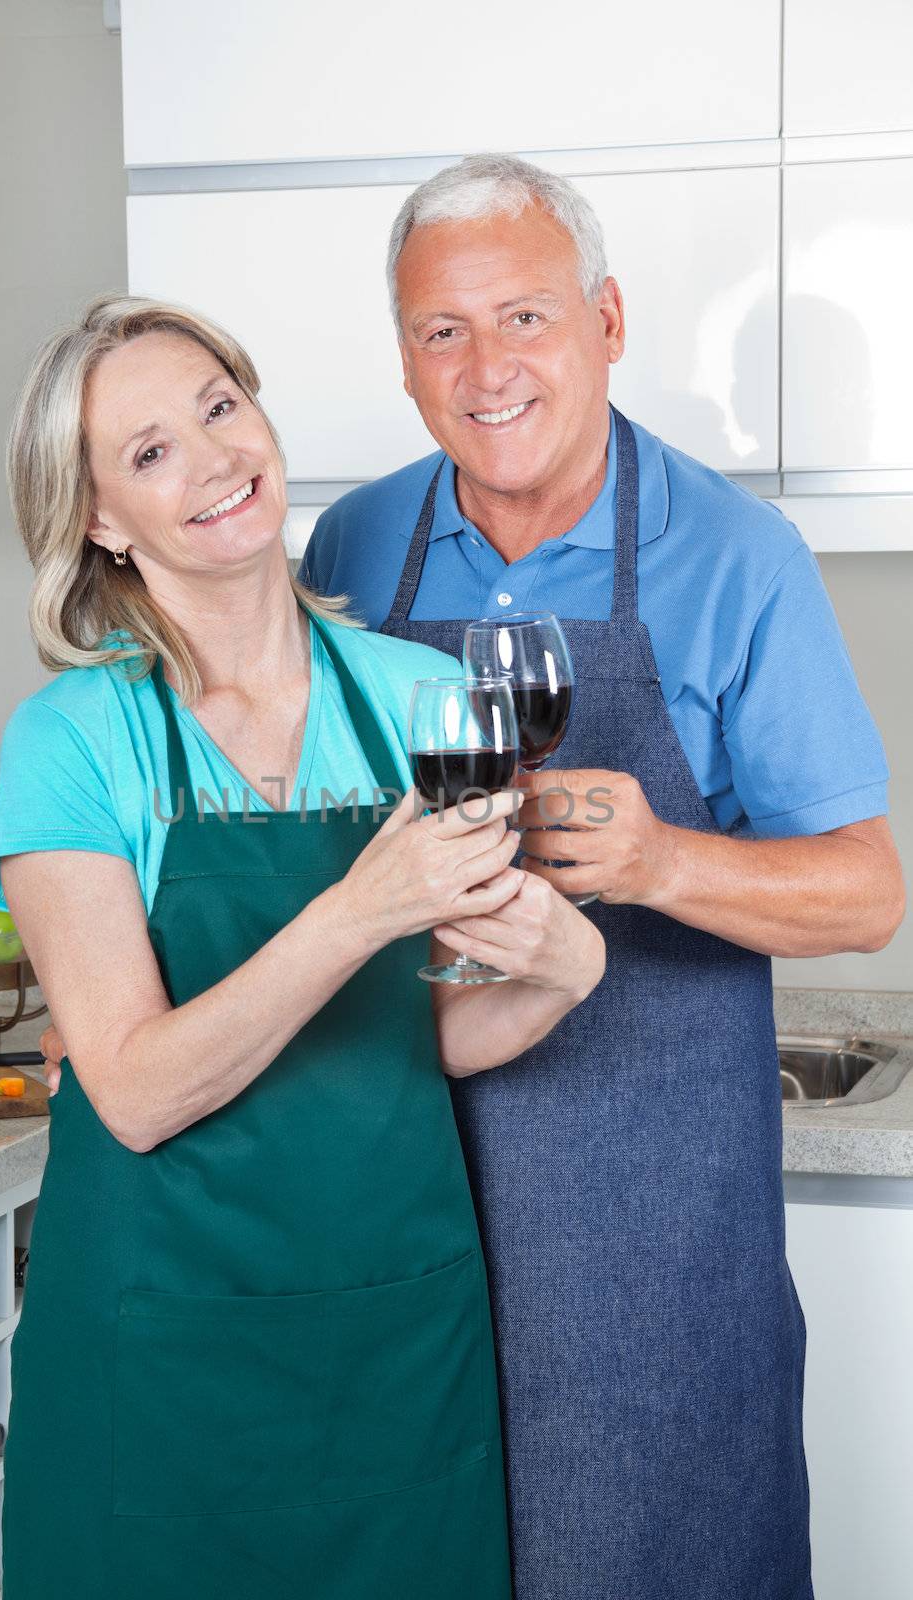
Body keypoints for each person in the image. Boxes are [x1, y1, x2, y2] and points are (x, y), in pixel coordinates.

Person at [298, 154, 905, 1599]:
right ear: (401, 357)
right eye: (442, 331)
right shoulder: (348, 545)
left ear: (610, 321)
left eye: (526, 317)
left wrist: (658, 857)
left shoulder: (738, 557)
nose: (486, 367)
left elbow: (869, 892)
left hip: (647, 1243)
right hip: (403, 1194)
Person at [0, 292, 605, 1600]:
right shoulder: (78, 742)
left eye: (219, 406)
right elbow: (137, 1091)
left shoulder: (422, 700)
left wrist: (564, 968)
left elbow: (425, 1031)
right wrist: (360, 906)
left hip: (392, 1355)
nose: (211, 459)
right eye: (148, 453)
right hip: (159, 1374)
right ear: (98, 521)